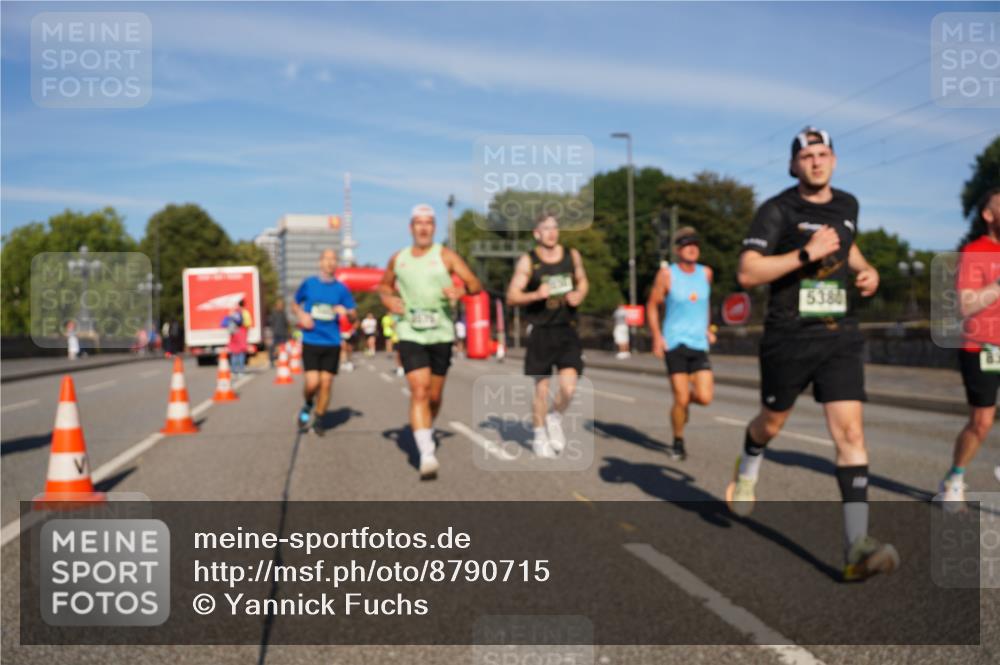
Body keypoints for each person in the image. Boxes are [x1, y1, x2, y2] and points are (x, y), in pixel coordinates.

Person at [726, 126, 898, 582]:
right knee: (772, 422)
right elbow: (747, 272)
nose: (816, 162)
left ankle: (856, 546)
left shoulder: (848, 205)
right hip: (788, 336)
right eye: (807, 156)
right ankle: (749, 461)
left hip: (839, 335)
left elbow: (849, 245)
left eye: (823, 154)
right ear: (793, 165)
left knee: (851, 434)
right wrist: (806, 253)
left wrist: (868, 271)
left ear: (834, 161)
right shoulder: (777, 210)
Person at [378, 203, 482, 480]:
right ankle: (426, 453)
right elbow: (384, 286)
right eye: (418, 223)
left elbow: (474, 284)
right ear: (411, 227)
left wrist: (459, 290)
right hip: (410, 332)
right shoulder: (398, 259)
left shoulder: (446, 256)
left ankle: (426, 429)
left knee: (434, 396)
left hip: (441, 333)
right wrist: (388, 299)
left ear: (433, 228)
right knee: (419, 390)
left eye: (428, 223)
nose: (423, 228)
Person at [506, 213, 589, 459]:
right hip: (541, 329)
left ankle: (555, 417)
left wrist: (579, 294)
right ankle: (540, 433)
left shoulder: (571, 255)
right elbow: (512, 296)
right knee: (541, 388)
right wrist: (535, 295)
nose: (552, 233)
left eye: (555, 227)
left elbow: (583, 281)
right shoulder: (528, 261)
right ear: (537, 233)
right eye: (546, 228)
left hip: (567, 327)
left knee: (569, 387)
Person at [939, 187, 1000, 507]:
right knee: (982, 421)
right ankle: (955, 477)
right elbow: (966, 305)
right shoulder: (975, 252)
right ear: (989, 215)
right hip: (984, 346)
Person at [646, 227, 716, 461]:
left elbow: (704, 303)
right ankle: (678, 440)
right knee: (681, 398)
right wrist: (657, 336)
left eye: (695, 243)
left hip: (698, 343)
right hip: (674, 342)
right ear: (678, 250)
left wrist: (707, 327)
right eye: (686, 244)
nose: (692, 247)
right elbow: (653, 305)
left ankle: (683, 407)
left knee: (705, 397)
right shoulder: (667, 274)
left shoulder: (706, 273)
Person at [291, 249, 357, 436]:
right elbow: (295, 304)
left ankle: (319, 418)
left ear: (337, 264)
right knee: (312, 383)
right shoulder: (309, 284)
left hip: (332, 342)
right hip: (312, 339)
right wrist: (301, 314)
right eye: (326, 259)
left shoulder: (341, 289)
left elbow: (353, 316)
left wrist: (347, 313)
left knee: (326, 382)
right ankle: (308, 404)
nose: (330, 263)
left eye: (334, 259)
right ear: (320, 262)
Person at [223, 299, 251, 375]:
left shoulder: (233, 312)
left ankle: (233, 370)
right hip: (242, 334)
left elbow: (226, 322)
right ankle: (241, 370)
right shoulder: (245, 313)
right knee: (241, 353)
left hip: (233, 334)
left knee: (234, 353)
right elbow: (248, 324)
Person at [268, 299, 290, 368]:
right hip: (276, 333)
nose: (280, 306)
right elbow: (271, 322)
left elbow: (286, 323)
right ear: (277, 305)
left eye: (281, 305)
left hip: (282, 334)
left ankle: (282, 360)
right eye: (279, 305)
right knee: (273, 348)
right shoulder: (274, 313)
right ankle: (272, 361)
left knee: (282, 348)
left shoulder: (283, 313)